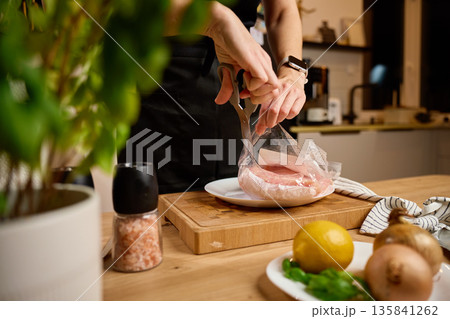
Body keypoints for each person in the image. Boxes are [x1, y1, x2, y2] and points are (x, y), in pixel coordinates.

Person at [119, 0, 307, 193]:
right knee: (149, 205)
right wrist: (215, 19)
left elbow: (281, 11)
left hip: (242, 76)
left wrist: (292, 69)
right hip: (159, 77)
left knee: (240, 197)